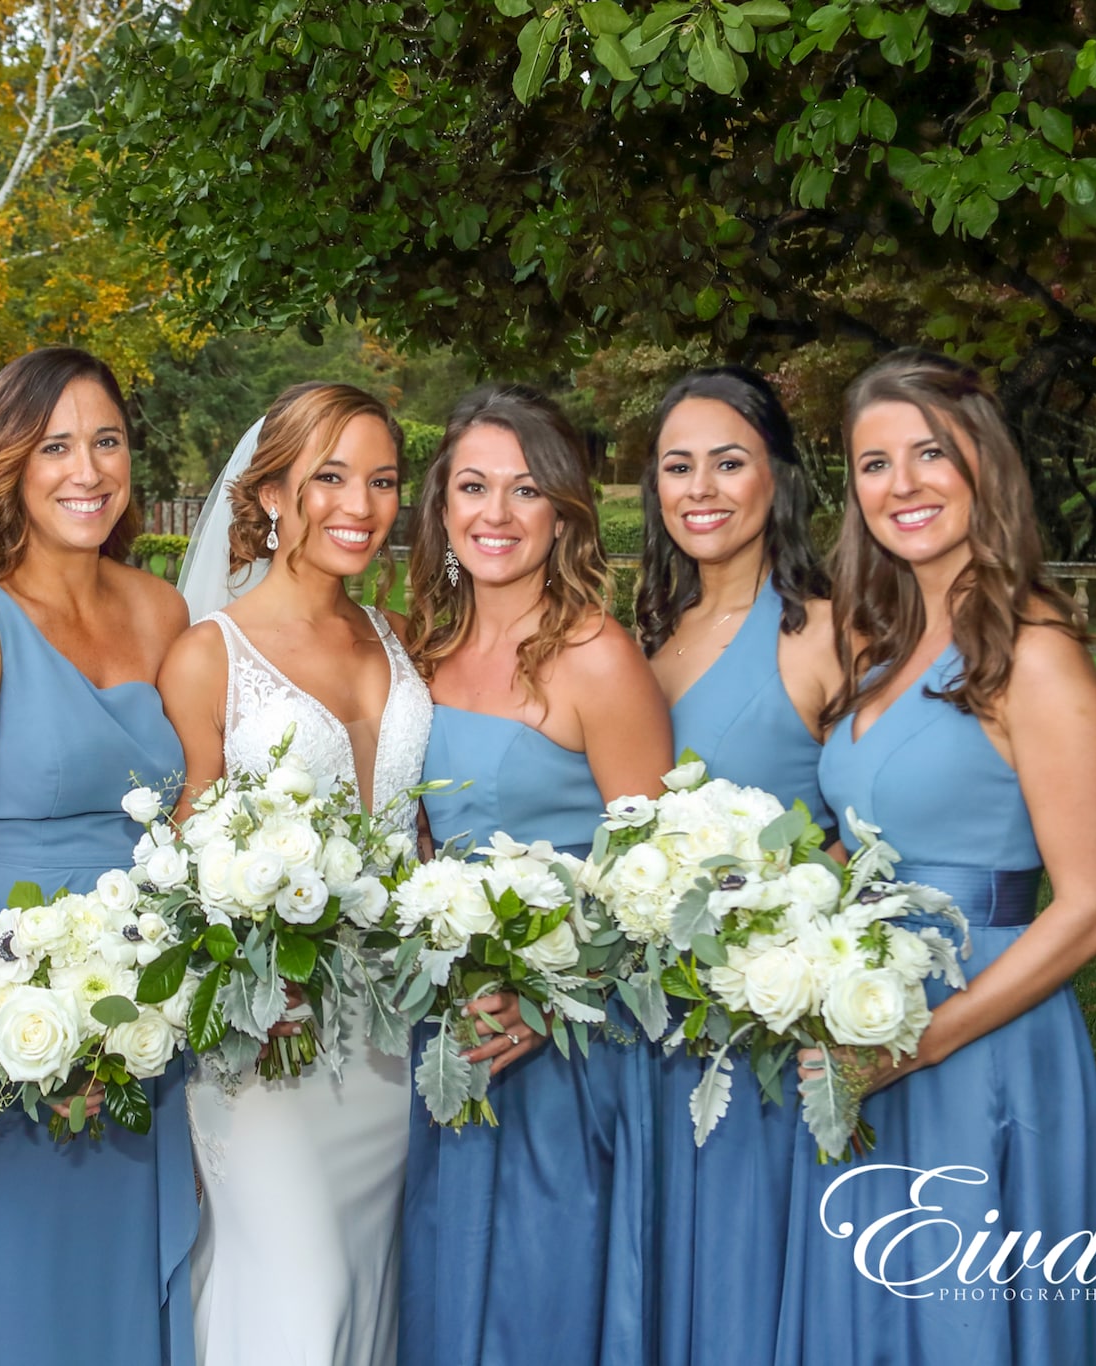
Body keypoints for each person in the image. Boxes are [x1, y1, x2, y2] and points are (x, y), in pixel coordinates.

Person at [777, 350, 1096, 1365]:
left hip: (982, 1038)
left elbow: (1092, 903)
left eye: (929, 452)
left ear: (984, 466)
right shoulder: (884, 644)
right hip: (866, 1018)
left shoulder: (1032, 650)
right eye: (872, 464)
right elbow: (874, 831)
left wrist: (921, 1040)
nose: (901, 484)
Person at [0, 347, 197, 1366]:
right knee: (31, 1312)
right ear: (10, 466)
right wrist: (21, 1037)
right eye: (56, 445)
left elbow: (191, 824)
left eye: (106, 441)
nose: (87, 469)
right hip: (17, 1043)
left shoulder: (161, 612)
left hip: (149, 1021)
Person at [397, 385, 674, 1366]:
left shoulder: (596, 657)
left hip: (564, 1046)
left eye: (524, 490)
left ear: (561, 510)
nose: (494, 514)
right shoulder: (417, 652)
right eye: (471, 486)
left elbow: (657, 876)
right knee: (442, 1274)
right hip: (447, 1028)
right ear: (439, 507)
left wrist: (546, 992)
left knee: (537, 1301)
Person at [161, 381, 431, 1366]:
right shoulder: (207, 654)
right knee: (300, 1298)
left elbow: (415, 834)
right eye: (328, 477)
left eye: (382, 480)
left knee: (365, 1298)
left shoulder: (396, 639)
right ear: (268, 492)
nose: (358, 505)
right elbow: (178, 862)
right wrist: (234, 989)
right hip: (265, 1041)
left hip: (390, 1044)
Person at [635, 367, 843, 1366]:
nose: (700, 487)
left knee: (742, 1294)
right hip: (639, 1032)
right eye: (677, 466)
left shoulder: (822, 634)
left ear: (778, 478)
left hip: (760, 1031)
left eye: (728, 461)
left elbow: (871, 835)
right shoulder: (642, 633)